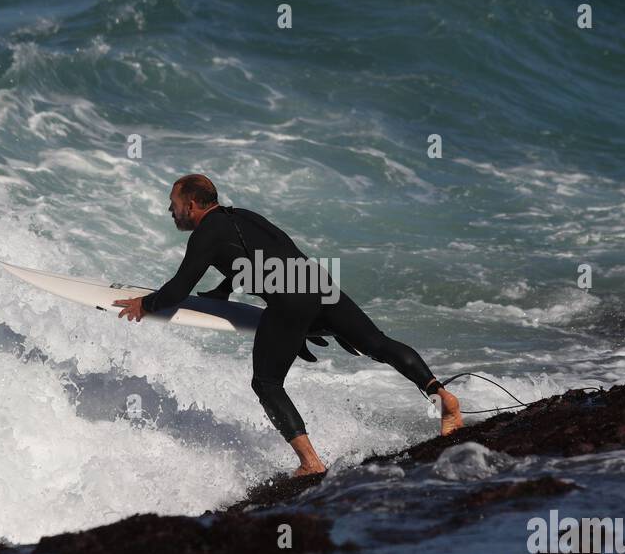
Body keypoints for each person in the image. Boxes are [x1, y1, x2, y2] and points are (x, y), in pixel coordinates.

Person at [113, 175, 463, 476]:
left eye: (172, 203)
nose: (170, 211)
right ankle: (442, 396)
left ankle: (310, 462)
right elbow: (270, 256)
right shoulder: (245, 218)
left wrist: (145, 304)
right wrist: (309, 319)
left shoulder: (205, 234)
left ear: (191, 205)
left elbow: (179, 288)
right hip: (317, 283)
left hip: (291, 298)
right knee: (378, 343)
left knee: (266, 383)